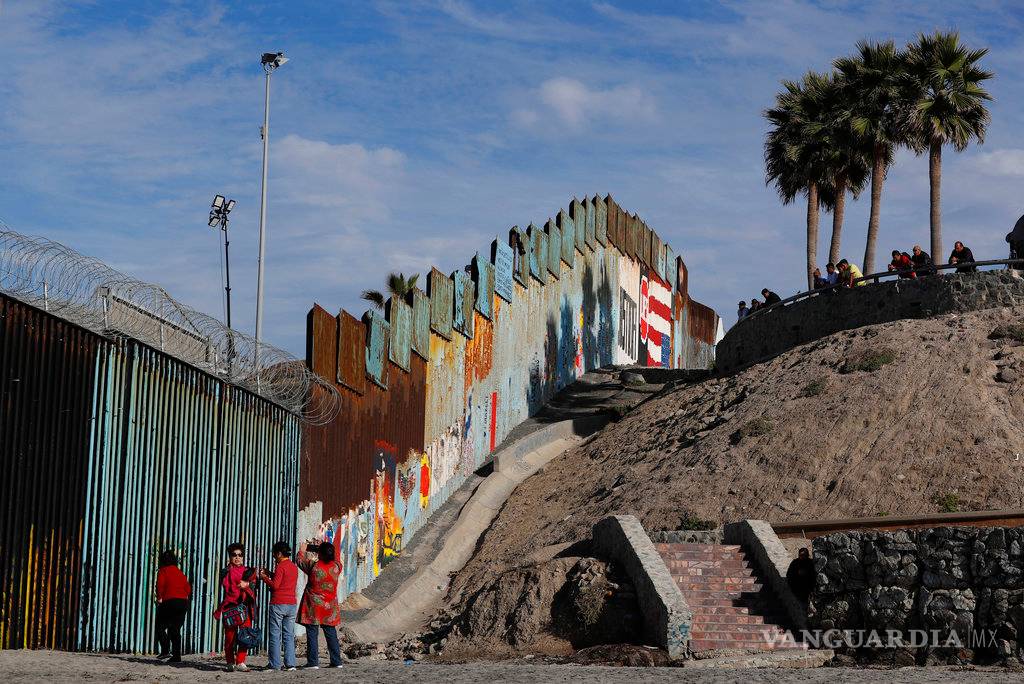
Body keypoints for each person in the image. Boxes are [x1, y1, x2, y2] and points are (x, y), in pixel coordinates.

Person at [298, 539, 345, 669]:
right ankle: (336, 661)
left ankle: (313, 662)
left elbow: (300, 560)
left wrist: (303, 549)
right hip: (330, 606)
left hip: (314, 605)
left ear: (320, 554)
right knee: (331, 633)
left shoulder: (314, 567)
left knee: (312, 633)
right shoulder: (336, 567)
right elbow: (337, 558)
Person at [213, 543, 257, 672]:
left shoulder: (248, 571)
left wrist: (247, 584)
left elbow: (254, 586)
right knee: (230, 637)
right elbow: (225, 587)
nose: (237, 557)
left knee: (245, 635)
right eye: (234, 555)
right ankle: (230, 662)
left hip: (244, 608)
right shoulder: (225, 572)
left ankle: (241, 661)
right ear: (230, 557)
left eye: (240, 555)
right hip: (230, 608)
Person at [260, 541, 299, 672]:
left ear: (279, 554)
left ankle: (275, 664)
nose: (274, 557)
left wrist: (264, 577)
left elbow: (276, 585)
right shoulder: (293, 567)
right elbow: (283, 580)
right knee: (288, 634)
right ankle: (291, 664)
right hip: (292, 604)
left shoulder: (281, 566)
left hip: (278, 604)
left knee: (275, 634)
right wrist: (270, 573)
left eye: (274, 554)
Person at [155, 550, 191, 663]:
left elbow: (160, 584)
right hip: (183, 603)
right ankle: (176, 656)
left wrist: (160, 597)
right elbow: (188, 588)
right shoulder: (180, 572)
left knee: (160, 626)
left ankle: (165, 650)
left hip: (169, 601)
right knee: (175, 629)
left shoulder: (163, 571)